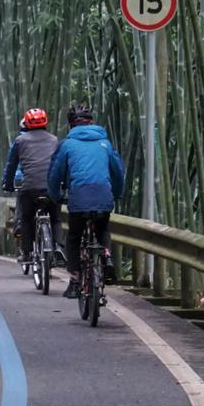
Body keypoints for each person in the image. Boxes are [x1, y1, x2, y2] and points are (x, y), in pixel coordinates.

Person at [47, 104, 125, 298]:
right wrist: (116, 193)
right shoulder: (105, 143)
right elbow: (118, 173)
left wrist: (55, 196)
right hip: (102, 196)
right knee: (103, 229)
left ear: (71, 125)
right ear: (92, 122)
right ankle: (106, 258)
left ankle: (74, 281)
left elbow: (55, 175)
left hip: (79, 197)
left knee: (73, 237)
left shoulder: (67, 144)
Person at [2, 108, 64, 266]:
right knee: (56, 218)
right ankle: (58, 246)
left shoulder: (20, 141)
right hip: (51, 187)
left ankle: (27, 253)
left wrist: (7, 184)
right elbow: (59, 164)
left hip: (29, 188)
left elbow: (11, 165)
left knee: (27, 218)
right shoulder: (54, 139)